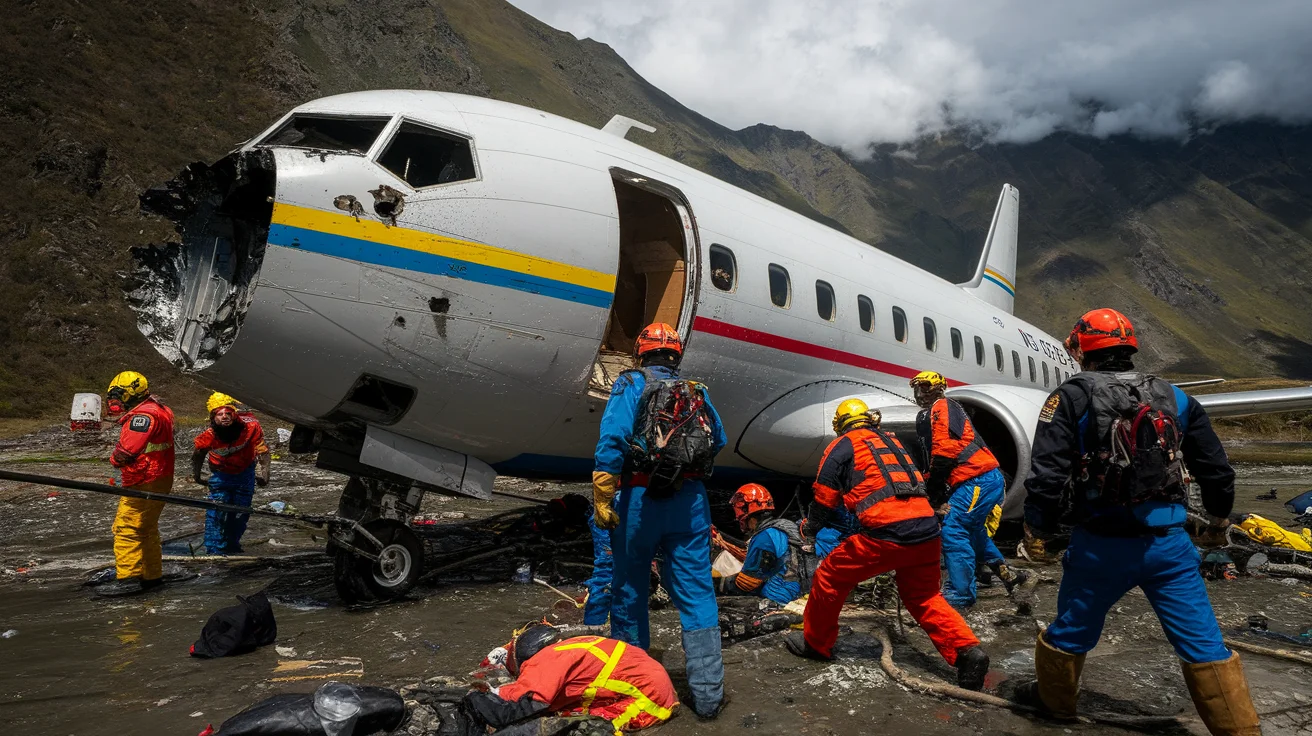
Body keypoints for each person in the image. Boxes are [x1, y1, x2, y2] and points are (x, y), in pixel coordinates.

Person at [1018, 308, 1259, 735]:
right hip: (1169, 544)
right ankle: (1239, 729)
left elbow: (1047, 475)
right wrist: (1218, 522)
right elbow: (1217, 471)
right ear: (1130, 345)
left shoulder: (1069, 398)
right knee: (1204, 645)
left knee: (1071, 631)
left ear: (1080, 348)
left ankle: (1055, 707)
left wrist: (1039, 531)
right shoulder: (1176, 398)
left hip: (1100, 545)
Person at [786, 398, 990, 691]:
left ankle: (816, 645)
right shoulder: (892, 442)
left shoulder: (841, 446)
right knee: (924, 596)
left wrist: (811, 528)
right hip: (927, 530)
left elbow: (824, 497)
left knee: (829, 577)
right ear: (871, 420)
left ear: (840, 425)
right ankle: (966, 652)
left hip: (886, 533)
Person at [592, 322, 728, 718]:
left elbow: (613, 436)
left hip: (639, 498)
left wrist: (603, 486)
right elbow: (716, 439)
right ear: (676, 355)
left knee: (630, 591)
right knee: (698, 595)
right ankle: (708, 699)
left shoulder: (631, 382)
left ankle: (637, 689)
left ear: (641, 351)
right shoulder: (696, 391)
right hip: (689, 501)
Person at [910, 370, 1028, 608]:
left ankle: (960, 594)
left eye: (924, 387)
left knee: (955, 530)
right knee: (973, 529)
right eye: (917, 388)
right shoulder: (933, 413)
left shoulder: (943, 406)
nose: (920, 393)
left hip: (977, 479)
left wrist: (934, 491)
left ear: (937, 389)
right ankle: (1006, 573)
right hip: (978, 479)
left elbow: (944, 450)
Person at [461, 623, 678, 733]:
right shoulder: (568, 647)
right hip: (652, 689)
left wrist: (479, 700)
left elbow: (527, 702)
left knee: (573, 727)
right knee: (560, 711)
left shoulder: (543, 660)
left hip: (647, 701)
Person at [100, 371, 176, 597]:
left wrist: (114, 459)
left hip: (144, 480)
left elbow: (126, 452)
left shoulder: (142, 417)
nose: (115, 400)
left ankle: (128, 578)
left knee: (126, 529)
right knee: (146, 529)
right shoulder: (158, 409)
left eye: (118, 395)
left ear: (130, 394)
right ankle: (151, 576)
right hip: (160, 477)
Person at [191, 392, 270, 555]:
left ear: (235, 414)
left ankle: (232, 545)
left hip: (245, 474)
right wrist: (197, 476)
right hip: (221, 476)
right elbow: (198, 455)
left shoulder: (251, 427)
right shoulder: (208, 437)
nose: (224, 417)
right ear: (213, 418)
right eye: (219, 414)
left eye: (228, 413)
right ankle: (214, 550)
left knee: (241, 512)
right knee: (217, 511)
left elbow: (263, 450)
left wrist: (265, 474)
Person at [717, 484, 811, 604]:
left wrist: (719, 584)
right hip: (805, 592)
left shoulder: (763, 537)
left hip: (779, 596)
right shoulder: (786, 526)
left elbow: (748, 583)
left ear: (746, 510)